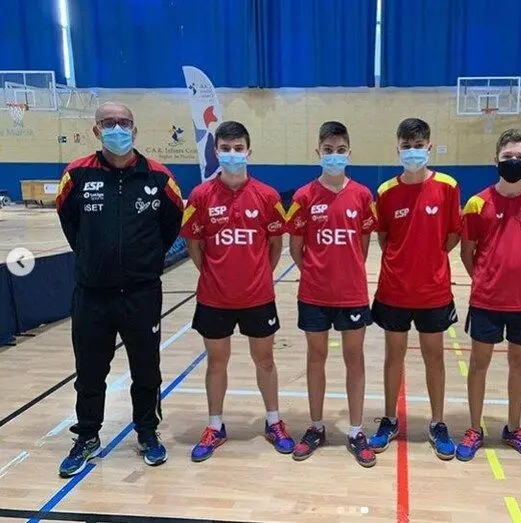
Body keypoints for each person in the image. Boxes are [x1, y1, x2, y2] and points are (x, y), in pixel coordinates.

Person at [56, 102, 184, 477]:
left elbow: (171, 225)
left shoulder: (159, 177)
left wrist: (146, 260)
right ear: (97, 131)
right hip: (92, 295)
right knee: (89, 372)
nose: (117, 128)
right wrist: (93, 256)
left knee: (146, 369)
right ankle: (87, 436)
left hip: (141, 294)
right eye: (109, 123)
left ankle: (147, 432)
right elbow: (69, 222)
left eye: (124, 122)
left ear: (134, 129)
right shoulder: (76, 174)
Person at [180, 121, 294, 462]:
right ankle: (215, 426)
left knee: (265, 360)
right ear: (216, 151)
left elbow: (275, 244)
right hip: (214, 298)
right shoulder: (200, 196)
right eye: (226, 148)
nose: (232, 154)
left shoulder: (268, 196)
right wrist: (213, 275)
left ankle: (273, 421)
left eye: (238, 148)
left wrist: (260, 276)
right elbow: (194, 245)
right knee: (217, 362)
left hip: (258, 297)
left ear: (248, 151)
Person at [456, 129, 521, 462]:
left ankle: (514, 428)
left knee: (519, 363)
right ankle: (474, 428)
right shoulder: (477, 203)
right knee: (479, 364)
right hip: (486, 301)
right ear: (496, 160)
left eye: (520, 157)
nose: (514, 161)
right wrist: (485, 280)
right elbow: (467, 252)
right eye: (508, 156)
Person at [368, 118, 461, 460]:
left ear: (429, 147)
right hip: (394, 290)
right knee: (394, 355)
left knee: (434, 356)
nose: (412, 151)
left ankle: (437, 422)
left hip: (433, 291)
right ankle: (390, 419)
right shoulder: (385, 191)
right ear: (398, 149)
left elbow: (452, 235)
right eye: (406, 146)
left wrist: (429, 261)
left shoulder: (448, 186)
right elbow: (384, 238)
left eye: (418, 145)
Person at [287, 121, 378, 467]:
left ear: (349, 153)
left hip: (352, 294)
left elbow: (363, 245)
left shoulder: (363, 195)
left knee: (354, 359)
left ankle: (355, 430)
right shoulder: (303, 196)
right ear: (318, 153)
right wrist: (317, 272)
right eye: (328, 150)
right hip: (313, 294)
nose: (334, 156)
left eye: (340, 150)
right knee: (316, 357)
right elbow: (296, 248)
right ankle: (316, 427)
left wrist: (346, 271)